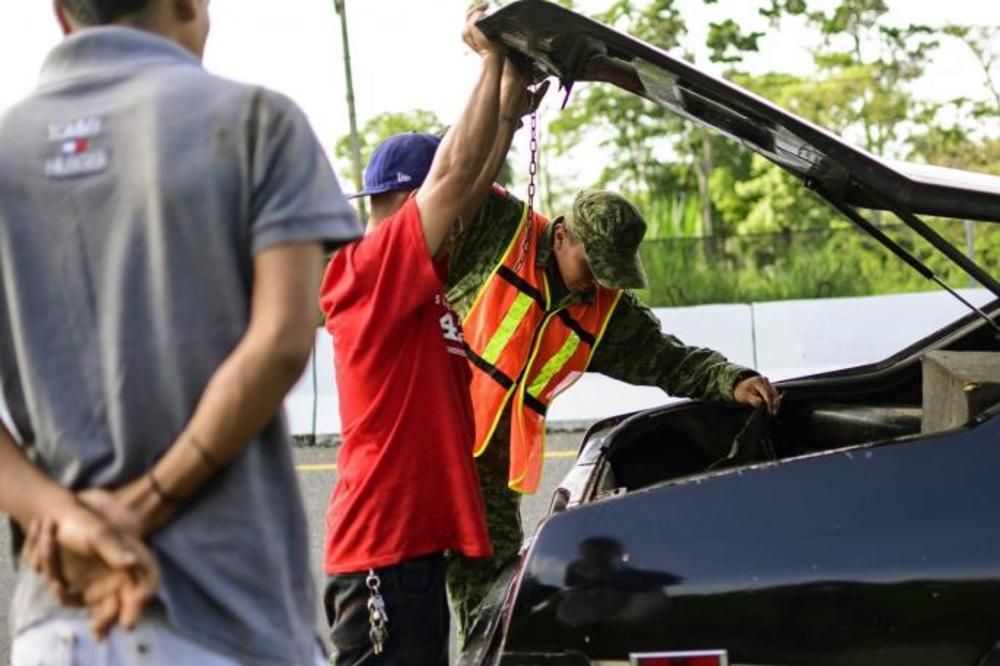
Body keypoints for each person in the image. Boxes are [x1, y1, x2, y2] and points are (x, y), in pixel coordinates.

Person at [0, 0, 361, 664]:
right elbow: (282, 339)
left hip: (60, 613)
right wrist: (142, 507)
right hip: (232, 616)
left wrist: (70, 520)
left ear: (60, 14)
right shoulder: (257, 120)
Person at [437, 155, 782, 643]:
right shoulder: (502, 231)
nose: (597, 282)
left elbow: (668, 359)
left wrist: (731, 379)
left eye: (610, 272)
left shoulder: (607, 314)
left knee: (487, 610)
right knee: (409, 591)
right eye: (591, 265)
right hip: (426, 447)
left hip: (492, 473)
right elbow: (452, 175)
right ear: (561, 236)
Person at [316, 9, 526, 665]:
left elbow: (466, 186)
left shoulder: (418, 281)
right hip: (383, 558)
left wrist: (511, 97)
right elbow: (457, 179)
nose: (464, 219)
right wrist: (490, 58)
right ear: (409, 200)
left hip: (411, 555)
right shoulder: (371, 271)